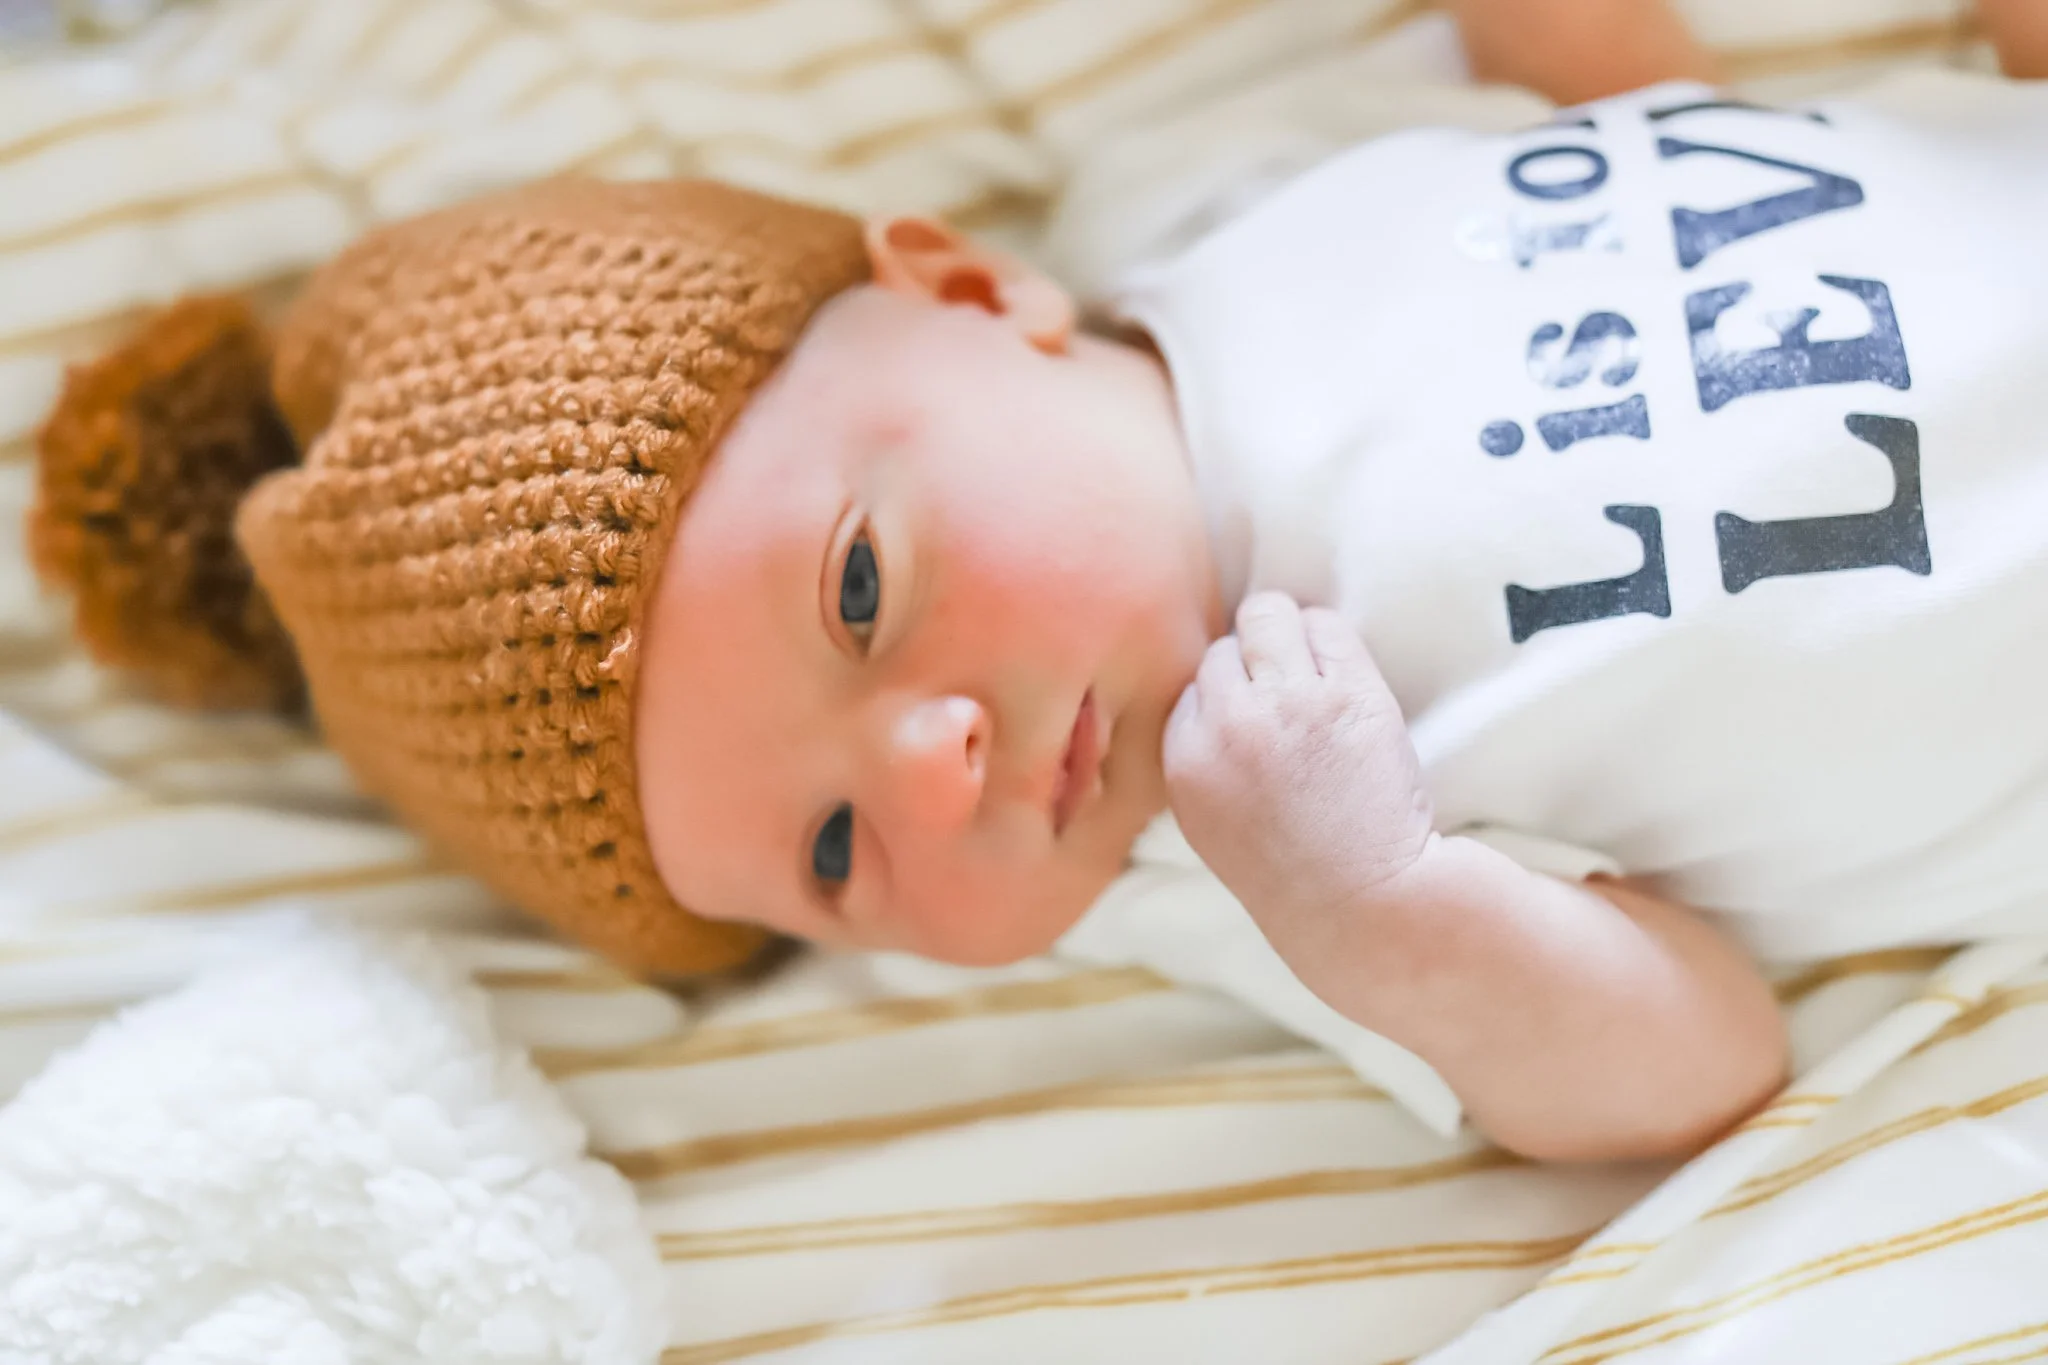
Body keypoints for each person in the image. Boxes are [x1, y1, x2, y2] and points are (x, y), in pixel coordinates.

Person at [32, 1, 2048, 1162]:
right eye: (832, 851)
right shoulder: (1234, 875)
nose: (931, 771)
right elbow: (1699, 1064)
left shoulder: (1206, 205)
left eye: (856, 594)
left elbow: (1596, 100)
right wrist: (1383, 899)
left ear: (975, 289)